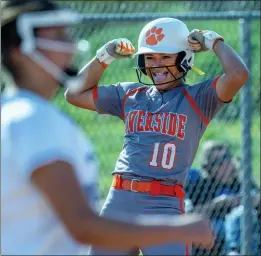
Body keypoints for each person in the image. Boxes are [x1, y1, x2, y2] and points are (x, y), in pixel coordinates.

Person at [1, 1, 215, 255]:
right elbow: (82, 225)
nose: (71, 46)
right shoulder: (31, 118)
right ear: (19, 51)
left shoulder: (26, 113)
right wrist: (177, 230)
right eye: (58, 38)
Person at [65, 16, 249, 255]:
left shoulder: (199, 98)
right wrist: (105, 55)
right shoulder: (130, 94)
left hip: (165, 204)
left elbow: (238, 75)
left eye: (166, 57)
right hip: (120, 199)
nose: (156, 64)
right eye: (149, 57)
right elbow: (75, 94)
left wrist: (213, 40)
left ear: (185, 59)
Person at [184, 141, 242, 255]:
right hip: (214, 231)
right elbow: (187, 215)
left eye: (227, 157)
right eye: (219, 162)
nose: (226, 164)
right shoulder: (200, 185)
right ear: (208, 167)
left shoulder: (239, 181)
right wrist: (219, 204)